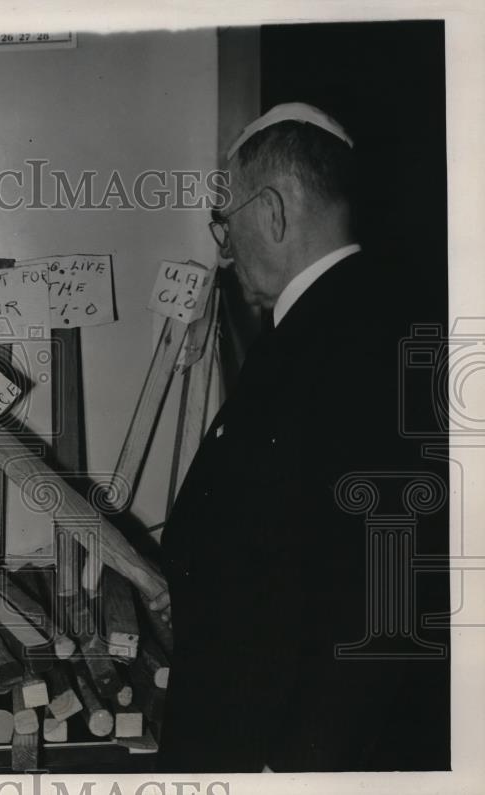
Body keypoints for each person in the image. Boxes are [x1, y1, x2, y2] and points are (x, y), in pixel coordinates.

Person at [157, 103, 449, 772]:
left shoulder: (351, 340)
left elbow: (383, 596)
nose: (224, 252)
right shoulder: (343, 322)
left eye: (223, 227)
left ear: (274, 210)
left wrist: (295, 771)